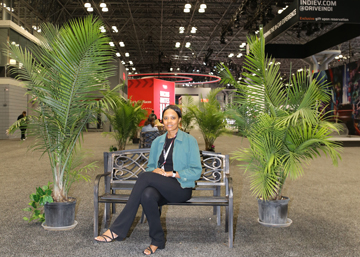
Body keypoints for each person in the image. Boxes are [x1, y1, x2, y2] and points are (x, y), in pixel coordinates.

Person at [95, 105, 202, 255]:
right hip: (160, 185)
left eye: (173, 117)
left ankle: (116, 230)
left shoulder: (189, 140)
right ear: (161, 120)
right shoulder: (158, 141)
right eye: (166, 118)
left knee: (145, 177)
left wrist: (171, 174)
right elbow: (151, 166)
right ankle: (157, 241)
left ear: (179, 120)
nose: (169, 121)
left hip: (180, 187)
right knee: (147, 195)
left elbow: (196, 171)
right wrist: (155, 171)